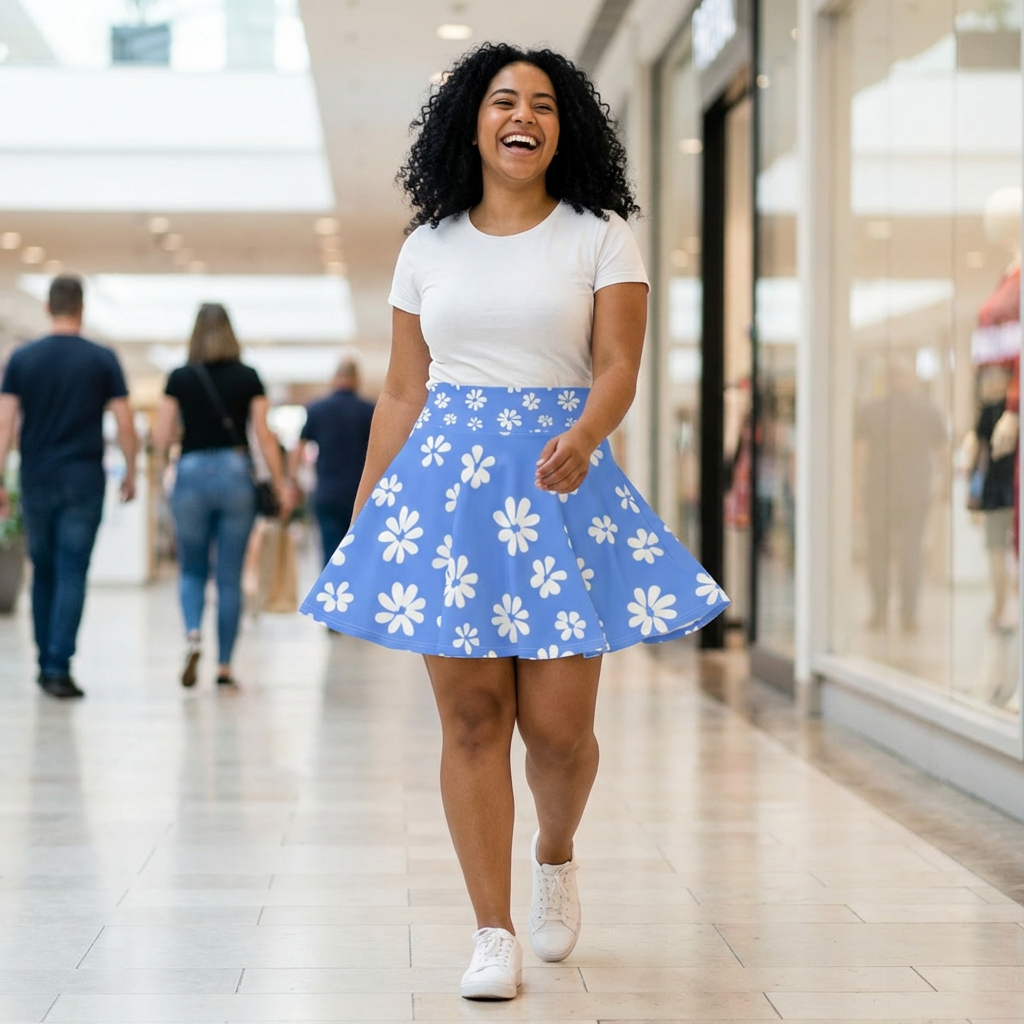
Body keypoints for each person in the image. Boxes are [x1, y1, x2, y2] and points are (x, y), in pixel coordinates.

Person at [299, 44, 729, 1001]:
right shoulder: (428, 246)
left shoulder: (599, 236)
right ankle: (492, 931)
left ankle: (556, 851)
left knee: (560, 735)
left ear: (563, 129)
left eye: (542, 103)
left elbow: (619, 365)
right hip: (447, 497)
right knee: (471, 718)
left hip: (561, 485)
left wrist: (586, 433)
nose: (522, 115)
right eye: (503, 101)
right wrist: (369, 507)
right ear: (473, 123)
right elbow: (403, 390)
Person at [0, 275, 137, 699]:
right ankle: (59, 665)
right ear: (82, 308)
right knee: (72, 571)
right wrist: (131, 470)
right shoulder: (102, 358)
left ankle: (46, 662)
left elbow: (4, 422)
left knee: (43, 570)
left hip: (36, 478)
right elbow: (125, 422)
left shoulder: (23, 359)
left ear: (48, 307)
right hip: (84, 480)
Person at [153, 303, 291, 689]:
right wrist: (279, 484)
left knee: (192, 569)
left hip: (190, 472)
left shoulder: (179, 377)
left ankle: (193, 635)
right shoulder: (248, 377)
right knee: (230, 576)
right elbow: (264, 435)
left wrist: (163, 470)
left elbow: (162, 435)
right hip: (235, 473)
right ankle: (225, 667)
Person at [856, 357, 946, 633]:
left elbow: (859, 453)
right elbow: (942, 451)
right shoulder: (926, 409)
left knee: (886, 554)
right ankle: (903, 614)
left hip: (889, 492)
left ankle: (885, 612)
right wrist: (944, 486)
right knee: (907, 554)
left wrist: (857, 490)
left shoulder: (874, 409)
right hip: (903, 492)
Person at [290, 357, 374, 565]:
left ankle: (330, 586)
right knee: (357, 554)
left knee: (330, 553)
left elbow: (298, 448)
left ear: (335, 378)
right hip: (360, 493)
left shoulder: (317, 409)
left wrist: (292, 481)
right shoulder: (369, 410)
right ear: (356, 379)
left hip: (327, 493)